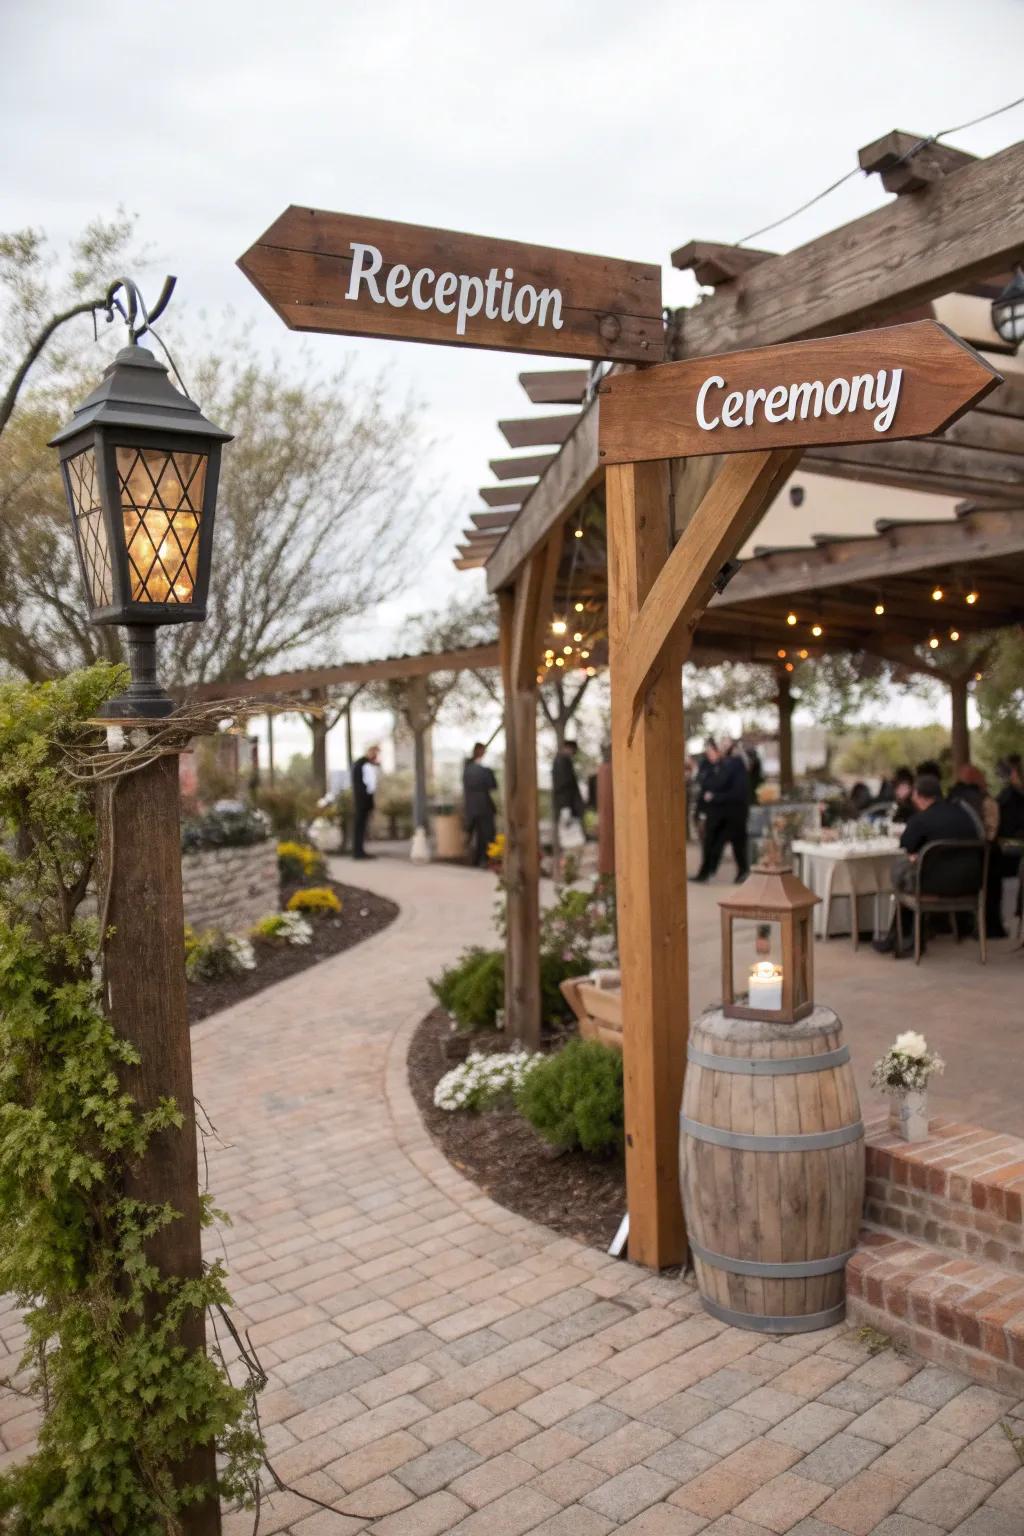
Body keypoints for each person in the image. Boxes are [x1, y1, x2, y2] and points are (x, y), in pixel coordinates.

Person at [875, 773, 981, 955]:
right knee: (911, 871)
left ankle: (903, 938)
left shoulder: (920, 819)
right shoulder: (964, 814)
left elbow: (906, 846)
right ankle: (900, 937)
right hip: (971, 883)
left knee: (901, 873)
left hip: (934, 885)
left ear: (916, 795)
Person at [950, 763, 1003, 938]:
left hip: (950, 861)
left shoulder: (950, 800)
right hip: (981, 862)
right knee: (995, 857)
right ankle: (991, 926)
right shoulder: (987, 801)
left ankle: (958, 925)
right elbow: (991, 834)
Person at [692, 739, 750, 883]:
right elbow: (707, 785)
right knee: (712, 843)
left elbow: (737, 791)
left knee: (737, 845)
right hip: (719, 812)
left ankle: (741, 872)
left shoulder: (735, 764)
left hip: (734, 813)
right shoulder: (715, 765)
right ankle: (707, 872)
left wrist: (715, 796)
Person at [462, 742, 498, 868]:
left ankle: (476, 860)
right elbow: (493, 785)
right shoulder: (484, 771)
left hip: (471, 808)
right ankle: (486, 860)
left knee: (474, 835)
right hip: (484, 807)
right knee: (487, 835)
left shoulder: (466, 769)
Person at [350, 744, 380, 860]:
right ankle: (358, 852)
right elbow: (370, 785)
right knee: (360, 826)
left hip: (360, 800)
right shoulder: (366, 765)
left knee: (360, 826)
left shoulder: (360, 764)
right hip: (363, 800)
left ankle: (358, 851)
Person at [552, 739, 585, 841]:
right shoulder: (561, 761)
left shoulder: (562, 761)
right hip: (567, 806)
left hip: (567, 806)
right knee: (572, 842)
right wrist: (565, 807)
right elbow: (563, 786)